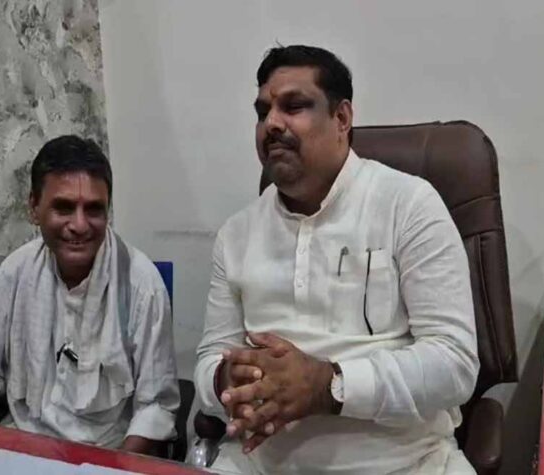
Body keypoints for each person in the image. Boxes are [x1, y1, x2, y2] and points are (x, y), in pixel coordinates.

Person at [195, 45, 479, 474]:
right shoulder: (237, 234)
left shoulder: (408, 205)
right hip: (264, 466)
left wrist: (329, 385)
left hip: (404, 464)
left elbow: (454, 364)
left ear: (342, 118)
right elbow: (208, 362)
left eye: (293, 106)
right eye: (263, 112)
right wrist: (226, 379)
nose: (272, 123)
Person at [0, 136, 179, 455]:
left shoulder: (142, 285)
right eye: (63, 207)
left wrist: (116, 468)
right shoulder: (16, 272)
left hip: (105, 452)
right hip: (21, 444)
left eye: (93, 209)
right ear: (34, 207)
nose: (79, 225)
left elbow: (155, 408)